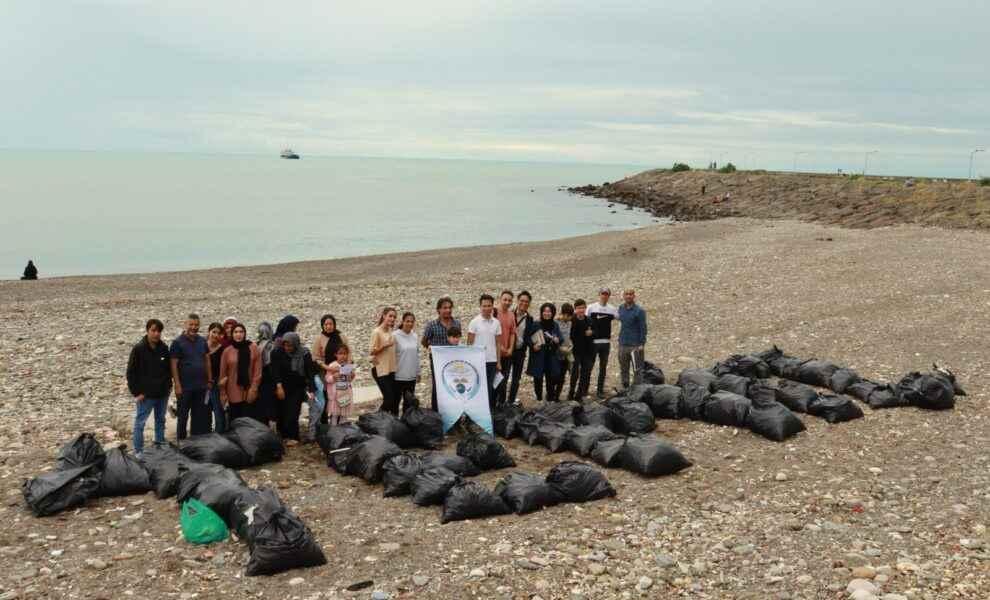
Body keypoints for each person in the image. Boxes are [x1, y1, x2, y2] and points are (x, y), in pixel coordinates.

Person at [126, 319, 171, 456]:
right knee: (140, 423)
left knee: (160, 420)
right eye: (153, 330)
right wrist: (136, 393)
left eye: (159, 331)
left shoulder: (163, 348)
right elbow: (130, 372)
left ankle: (159, 446)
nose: (156, 334)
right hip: (146, 395)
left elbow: (168, 369)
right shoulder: (139, 349)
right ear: (147, 331)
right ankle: (138, 451)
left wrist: (168, 387)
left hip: (162, 394)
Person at [169, 313, 212, 439]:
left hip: (201, 386)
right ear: (185, 324)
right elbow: (173, 365)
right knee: (183, 416)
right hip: (185, 387)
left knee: (198, 416)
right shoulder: (177, 342)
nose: (194, 327)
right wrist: (177, 385)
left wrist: (209, 379)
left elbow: (207, 360)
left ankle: (195, 442)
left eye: (196, 325)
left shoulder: (202, 341)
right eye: (191, 324)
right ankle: (181, 442)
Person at [271, 332, 317, 443]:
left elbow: (310, 372)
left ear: (296, 344)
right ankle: (283, 435)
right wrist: (278, 386)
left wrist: (311, 389)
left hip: (297, 387)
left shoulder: (304, 354)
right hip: (282, 387)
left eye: (290, 346)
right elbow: (275, 371)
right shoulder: (278, 352)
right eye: (286, 345)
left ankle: (293, 437)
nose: (288, 348)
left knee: (293, 413)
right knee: (282, 412)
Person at [310, 314, 347, 438]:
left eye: (331, 324)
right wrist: (328, 368)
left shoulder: (341, 336)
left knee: (341, 396)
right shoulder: (319, 339)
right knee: (326, 398)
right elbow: (315, 358)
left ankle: (340, 424)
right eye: (326, 324)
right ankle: (325, 425)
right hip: (325, 372)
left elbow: (349, 353)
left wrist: (347, 368)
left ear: (334, 324)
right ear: (322, 325)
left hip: (341, 371)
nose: (328, 326)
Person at [421, 296, 460, 411]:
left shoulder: (457, 324)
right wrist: (432, 348)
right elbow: (424, 341)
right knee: (438, 386)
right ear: (438, 310)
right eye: (444, 308)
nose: (447, 310)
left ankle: (452, 410)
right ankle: (436, 411)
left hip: (452, 360)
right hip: (437, 361)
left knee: (452, 385)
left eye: (449, 308)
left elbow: (458, 339)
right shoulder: (432, 325)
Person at [219, 323, 262, 423]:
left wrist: (254, 389)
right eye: (236, 332)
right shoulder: (227, 351)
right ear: (232, 334)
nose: (238, 334)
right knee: (235, 421)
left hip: (249, 390)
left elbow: (258, 371)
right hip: (232, 391)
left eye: (241, 332)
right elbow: (223, 374)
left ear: (245, 333)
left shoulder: (253, 348)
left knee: (249, 421)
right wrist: (223, 393)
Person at [467, 294, 502, 411]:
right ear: (480, 306)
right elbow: (470, 343)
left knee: (489, 387)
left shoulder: (496, 323)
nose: (487, 308)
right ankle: (475, 411)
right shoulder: (474, 322)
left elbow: (498, 343)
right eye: (484, 306)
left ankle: (487, 411)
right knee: (477, 388)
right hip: (477, 361)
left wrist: (498, 362)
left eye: (489, 306)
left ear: (493, 306)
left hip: (492, 361)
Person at [526, 303, 563, 401]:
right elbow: (528, 338)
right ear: (541, 312)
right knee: (538, 379)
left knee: (550, 380)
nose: (547, 313)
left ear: (553, 313)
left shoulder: (555, 325)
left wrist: (557, 339)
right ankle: (539, 399)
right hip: (539, 356)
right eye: (545, 311)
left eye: (549, 311)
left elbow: (561, 338)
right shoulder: (536, 324)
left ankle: (550, 400)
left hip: (551, 357)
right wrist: (533, 346)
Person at [587, 288, 619, 399]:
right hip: (593, 342)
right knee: (589, 366)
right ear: (599, 294)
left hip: (606, 342)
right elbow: (584, 320)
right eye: (602, 294)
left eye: (606, 294)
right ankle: (585, 389)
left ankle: (600, 390)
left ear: (609, 296)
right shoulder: (591, 307)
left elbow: (622, 319)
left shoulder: (612, 309)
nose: (604, 296)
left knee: (603, 367)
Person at [617, 289, 648, 390]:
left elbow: (643, 328)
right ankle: (625, 388)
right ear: (623, 296)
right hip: (623, 344)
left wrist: (642, 343)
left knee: (637, 370)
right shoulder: (621, 308)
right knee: (623, 369)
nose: (629, 296)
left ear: (634, 296)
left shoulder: (640, 311)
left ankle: (637, 390)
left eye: (631, 294)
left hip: (635, 345)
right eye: (626, 294)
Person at [370, 307, 399, 414]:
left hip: (391, 369)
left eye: (394, 317)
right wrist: (384, 346)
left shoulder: (391, 331)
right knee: (389, 399)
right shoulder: (376, 332)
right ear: (384, 316)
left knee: (394, 399)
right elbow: (371, 352)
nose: (392, 319)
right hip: (380, 370)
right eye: (390, 316)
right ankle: (377, 419)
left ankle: (389, 422)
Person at [508, 291, 534, 406]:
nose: (524, 303)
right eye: (522, 301)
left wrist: (533, 345)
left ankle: (511, 400)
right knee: (503, 377)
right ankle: (500, 400)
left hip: (520, 352)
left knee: (516, 379)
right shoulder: (509, 314)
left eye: (526, 302)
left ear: (529, 304)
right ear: (517, 301)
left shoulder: (529, 319)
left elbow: (528, 337)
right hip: (508, 351)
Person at [393, 312, 420, 415]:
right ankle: (394, 424)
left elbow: (417, 354)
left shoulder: (415, 336)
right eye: (407, 321)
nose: (409, 323)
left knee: (409, 403)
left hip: (411, 375)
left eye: (412, 321)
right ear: (402, 321)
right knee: (395, 402)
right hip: (398, 375)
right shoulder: (395, 335)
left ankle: (406, 423)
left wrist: (418, 372)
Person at [568, 299, 595, 401]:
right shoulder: (572, 320)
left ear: (585, 308)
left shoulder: (589, 320)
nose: (581, 310)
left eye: (583, 308)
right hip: (575, 352)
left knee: (585, 374)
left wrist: (591, 333)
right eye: (579, 308)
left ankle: (579, 395)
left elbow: (595, 332)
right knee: (574, 374)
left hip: (587, 352)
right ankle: (571, 393)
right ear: (575, 309)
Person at [494, 290, 517, 407]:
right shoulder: (494, 313)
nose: (507, 302)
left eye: (509, 300)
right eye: (505, 299)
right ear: (500, 299)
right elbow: (491, 334)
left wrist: (510, 348)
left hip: (507, 354)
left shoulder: (512, 315)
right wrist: (502, 348)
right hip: (494, 354)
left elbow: (513, 333)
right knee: (495, 381)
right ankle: (493, 404)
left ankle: (501, 404)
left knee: (504, 379)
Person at [325, 343, 357, 425]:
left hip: (345, 393)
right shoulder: (332, 365)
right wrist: (333, 377)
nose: (343, 356)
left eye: (345, 353)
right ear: (335, 354)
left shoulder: (348, 366)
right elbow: (327, 379)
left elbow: (349, 380)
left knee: (344, 415)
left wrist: (352, 376)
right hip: (335, 395)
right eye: (340, 353)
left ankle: (342, 432)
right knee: (334, 415)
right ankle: (334, 431)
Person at [205, 322, 227, 433]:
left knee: (218, 412)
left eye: (218, 333)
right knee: (204, 411)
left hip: (216, 385)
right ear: (209, 332)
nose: (215, 335)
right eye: (214, 332)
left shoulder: (222, 350)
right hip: (201, 384)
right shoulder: (201, 345)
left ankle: (219, 435)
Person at [255, 322, 278, 430]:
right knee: (268, 406)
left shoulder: (258, 344)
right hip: (266, 378)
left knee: (267, 405)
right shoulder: (271, 345)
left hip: (265, 378)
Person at [551, 303, 574, 401]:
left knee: (562, 377)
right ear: (563, 314)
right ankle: (550, 395)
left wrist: (570, 346)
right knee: (554, 376)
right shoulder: (555, 322)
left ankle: (557, 397)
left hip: (566, 354)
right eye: (568, 316)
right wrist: (559, 348)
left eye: (570, 316)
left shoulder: (570, 323)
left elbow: (570, 337)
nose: (569, 318)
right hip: (556, 354)